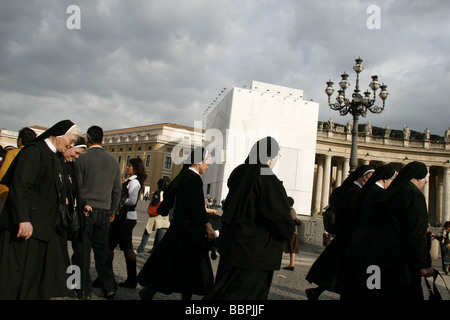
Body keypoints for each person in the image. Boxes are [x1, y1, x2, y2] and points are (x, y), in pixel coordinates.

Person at [204, 137, 295, 300]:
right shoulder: (267, 177)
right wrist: (289, 231)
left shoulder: (240, 172)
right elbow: (278, 215)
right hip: (256, 252)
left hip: (232, 245)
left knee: (223, 290)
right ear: (270, 156)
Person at [0, 120, 81, 299]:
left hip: (41, 228)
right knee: (14, 277)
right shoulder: (34, 152)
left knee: (32, 278)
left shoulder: (55, 156)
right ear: (59, 136)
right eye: (71, 141)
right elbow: (20, 188)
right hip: (24, 226)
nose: (71, 145)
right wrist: (23, 219)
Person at [137, 146, 216, 300]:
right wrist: (207, 225)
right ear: (199, 162)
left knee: (168, 262)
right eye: (207, 163)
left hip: (179, 228)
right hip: (188, 231)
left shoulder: (185, 176)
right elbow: (196, 209)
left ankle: (149, 291)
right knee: (189, 266)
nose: (208, 166)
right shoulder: (194, 179)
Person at [348, 161, 434, 299]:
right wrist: (422, 263)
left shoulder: (390, 192)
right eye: (425, 180)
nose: (424, 183)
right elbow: (416, 232)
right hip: (401, 260)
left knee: (376, 292)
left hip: (377, 255)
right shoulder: (413, 195)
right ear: (419, 178)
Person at [305, 164, 375, 300]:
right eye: (369, 178)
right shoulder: (355, 192)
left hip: (343, 233)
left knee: (337, 267)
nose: (370, 181)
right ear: (362, 177)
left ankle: (317, 291)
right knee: (341, 267)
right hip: (348, 234)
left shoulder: (345, 189)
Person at [71, 125, 122, 299]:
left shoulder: (81, 159)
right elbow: (117, 188)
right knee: (103, 251)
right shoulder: (113, 161)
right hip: (105, 210)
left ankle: (81, 288)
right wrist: (113, 209)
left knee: (81, 251)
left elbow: (76, 186)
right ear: (102, 139)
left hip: (85, 210)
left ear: (87, 139)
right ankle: (109, 286)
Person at [339, 164, 398, 299]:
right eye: (391, 180)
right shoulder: (378, 195)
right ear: (385, 179)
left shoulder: (366, 191)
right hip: (372, 245)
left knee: (355, 280)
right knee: (372, 282)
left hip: (358, 241)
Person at [108, 157, 147, 289]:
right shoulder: (132, 181)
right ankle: (131, 279)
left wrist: (120, 200)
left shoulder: (134, 182)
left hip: (126, 218)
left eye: (129, 166)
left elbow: (133, 201)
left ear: (135, 168)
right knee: (126, 247)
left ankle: (106, 276)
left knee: (111, 245)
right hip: (125, 217)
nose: (127, 167)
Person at [0, 127, 37, 213]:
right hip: (28, 199)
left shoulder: (13, 153)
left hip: (8, 195)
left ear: (19, 140)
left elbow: (3, 175)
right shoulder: (36, 155)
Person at [136, 177, 171, 255]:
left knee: (147, 233)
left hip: (155, 215)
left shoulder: (158, 192)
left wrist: (152, 199)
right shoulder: (168, 193)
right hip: (164, 216)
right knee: (160, 235)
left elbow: (155, 203)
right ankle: (156, 250)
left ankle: (141, 249)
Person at [283, 197, 300, 271]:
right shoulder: (292, 210)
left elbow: (292, 218)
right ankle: (291, 264)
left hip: (290, 232)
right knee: (291, 249)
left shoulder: (290, 210)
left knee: (283, 248)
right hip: (294, 232)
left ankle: (290, 264)